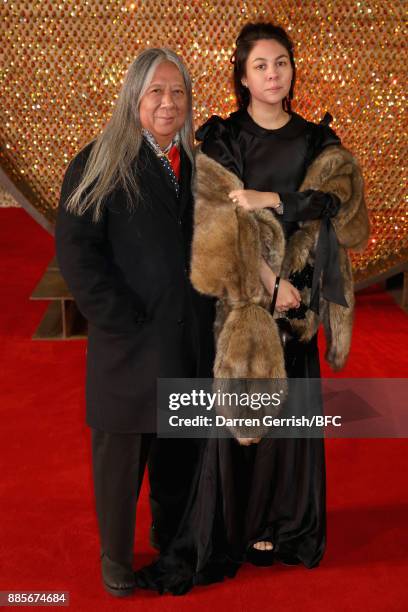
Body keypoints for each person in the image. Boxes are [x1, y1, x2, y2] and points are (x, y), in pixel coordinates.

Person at [136, 22, 369, 594]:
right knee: (244, 413)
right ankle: (236, 526)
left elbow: (338, 202)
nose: (273, 74)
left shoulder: (317, 139)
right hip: (247, 300)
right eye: (261, 65)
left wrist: (275, 200)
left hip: (302, 299)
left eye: (282, 62)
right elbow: (217, 222)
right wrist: (269, 286)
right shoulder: (224, 137)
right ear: (242, 76)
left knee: (291, 417)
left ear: (293, 69)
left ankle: (285, 524)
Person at [55, 48, 215, 597]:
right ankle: (116, 561)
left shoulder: (195, 167)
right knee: (120, 466)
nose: (168, 103)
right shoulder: (98, 160)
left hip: (187, 344)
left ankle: (172, 543)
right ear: (134, 99)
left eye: (178, 92)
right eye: (155, 92)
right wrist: (118, 318)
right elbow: (78, 252)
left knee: (179, 459)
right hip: (129, 345)